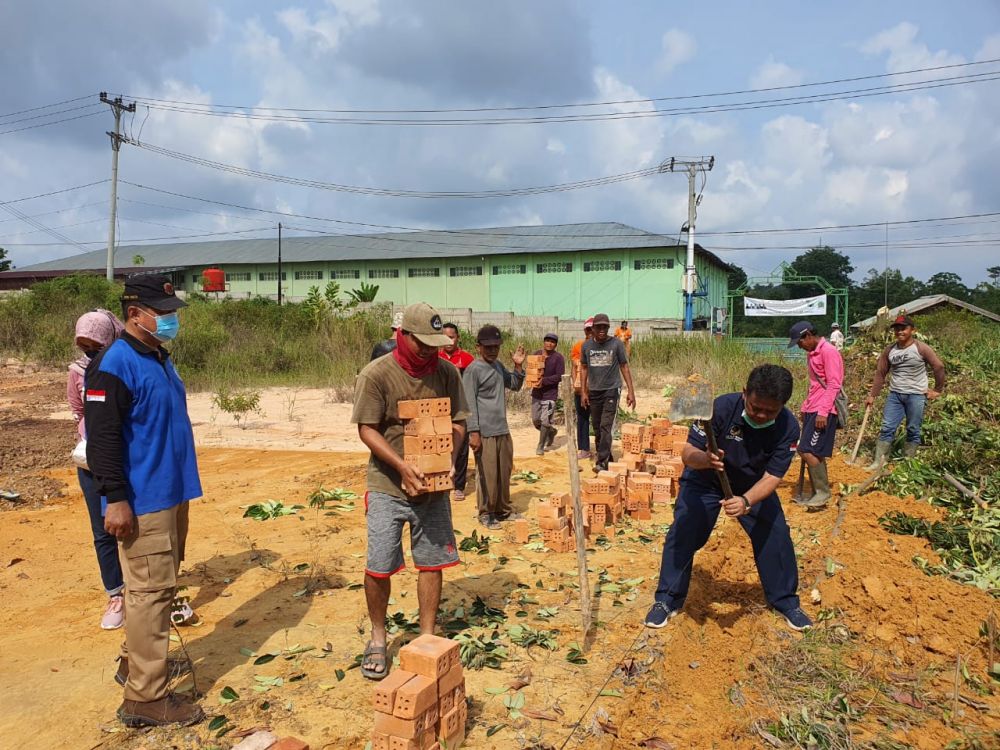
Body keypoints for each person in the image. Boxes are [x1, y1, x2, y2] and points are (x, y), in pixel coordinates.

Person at [85, 274, 203, 727]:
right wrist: (115, 498)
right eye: (163, 311)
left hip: (172, 494)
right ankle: (144, 699)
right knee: (150, 593)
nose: (171, 318)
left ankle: (134, 664)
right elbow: (104, 439)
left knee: (158, 589)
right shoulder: (114, 365)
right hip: (143, 499)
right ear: (136, 314)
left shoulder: (156, 355)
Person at [644, 364, 813, 633]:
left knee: (775, 535)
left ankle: (786, 602)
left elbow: (772, 477)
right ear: (745, 392)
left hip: (753, 484)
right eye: (756, 407)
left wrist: (746, 501)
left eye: (770, 411)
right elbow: (688, 453)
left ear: (783, 405)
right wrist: (706, 460)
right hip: (705, 479)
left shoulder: (788, 427)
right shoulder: (720, 408)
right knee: (685, 530)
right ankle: (667, 600)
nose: (760, 415)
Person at [352, 302, 468, 681]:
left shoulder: (447, 372)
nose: (432, 352)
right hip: (387, 485)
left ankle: (426, 638)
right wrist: (402, 466)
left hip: (433, 488)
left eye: (437, 345)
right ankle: (377, 637)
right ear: (404, 336)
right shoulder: (376, 375)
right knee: (380, 564)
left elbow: (458, 422)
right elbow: (366, 429)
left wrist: (446, 454)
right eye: (424, 345)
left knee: (432, 562)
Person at [68, 309, 126, 629]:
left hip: (124, 457)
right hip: (91, 461)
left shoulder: (124, 367)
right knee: (102, 529)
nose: (90, 354)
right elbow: (78, 412)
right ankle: (116, 594)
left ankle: (149, 590)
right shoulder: (76, 372)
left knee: (135, 525)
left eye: (96, 347)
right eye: (85, 348)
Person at [463, 325, 526, 530]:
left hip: (502, 429)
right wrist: (474, 432)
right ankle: (486, 513)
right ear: (478, 347)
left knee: (503, 472)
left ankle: (502, 510)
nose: (492, 350)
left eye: (496, 347)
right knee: (487, 474)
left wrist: (517, 366)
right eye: (488, 347)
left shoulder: (498, 365)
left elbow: (514, 385)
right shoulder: (473, 370)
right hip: (485, 432)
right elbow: (468, 403)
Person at [865, 314, 946, 469]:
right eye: (897, 329)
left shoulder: (921, 348)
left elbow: (938, 366)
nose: (899, 332)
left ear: (912, 330)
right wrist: (872, 395)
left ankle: (907, 463)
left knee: (913, 428)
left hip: (916, 395)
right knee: (887, 427)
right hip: (895, 395)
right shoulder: (890, 350)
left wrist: (937, 390)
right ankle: (878, 462)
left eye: (903, 328)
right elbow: (881, 373)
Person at [789, 320, 844, 508]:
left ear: (809, 336)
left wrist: (823, 411)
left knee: (806, 450)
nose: (799, 346)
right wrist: (806, 407)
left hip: (824, 410)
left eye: (800, 342)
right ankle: (816, 491)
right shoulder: (812, 354)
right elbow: (814, 385)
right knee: (811, 450)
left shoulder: (829, 352)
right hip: (813, 407)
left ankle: (822, 493)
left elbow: (834, 384)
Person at [580, 313, 636, 471]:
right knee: (597, 427)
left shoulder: (616, 344)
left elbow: (624, 367)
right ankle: (607, 457)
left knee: (606, 426)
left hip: (612, 390)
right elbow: (583, 369)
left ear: (609, 328)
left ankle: (602, 462)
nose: (602, 330)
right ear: (593, 328)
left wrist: (631, 392)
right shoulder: (587, 346)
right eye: (599, 327)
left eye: (605, 326)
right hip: (594, 391)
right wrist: (584, 392)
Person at [439, 322, 475, 500]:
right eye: (445, 337)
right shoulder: (435, 357)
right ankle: (443, 480)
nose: (448, 341)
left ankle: (459, 485)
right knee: (441, 444)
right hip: (439, 409)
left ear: (457, 338)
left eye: (451, 337)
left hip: (460, 408)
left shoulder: (467, 359)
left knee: (460, 447)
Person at [530, 333, 565, 455]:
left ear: (555, 345)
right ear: (544, 342)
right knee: (536, 420)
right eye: (547, 341)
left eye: (552, 342)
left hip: (550, 395)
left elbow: (559, 376)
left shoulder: (558, 358)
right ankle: (551, 432)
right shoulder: (536, 354)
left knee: (545, 421)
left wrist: (543, 381)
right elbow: (531, 370)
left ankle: (540, 445)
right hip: (536, 394)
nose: (549, 344)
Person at [570, 318, 595, 459]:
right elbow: (574, 367)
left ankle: (603, 450)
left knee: (598, 421)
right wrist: (576, 384)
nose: (590, 332)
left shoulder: (601, 346)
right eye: (588, 329)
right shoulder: (578, 346)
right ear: (584, 330)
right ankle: (584, 449)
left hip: (597, 390)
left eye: (592, 329)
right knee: (582, 419)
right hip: (581, 390)